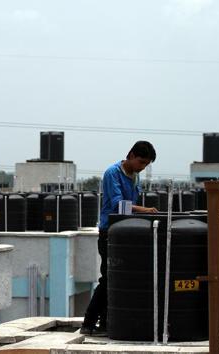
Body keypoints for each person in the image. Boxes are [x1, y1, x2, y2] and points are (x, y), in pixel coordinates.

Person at [80, 140, 157, 336]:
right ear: (130, 155)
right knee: (108, 278)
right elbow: (118, 204)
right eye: (141, 162)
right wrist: (145, 210)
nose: (142, 167)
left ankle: (106, 322)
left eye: (146, 165)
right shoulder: (112, 173)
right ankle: (89, 321)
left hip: (125, 232)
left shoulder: (134, 176)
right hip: (109, 232)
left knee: (119, 279)